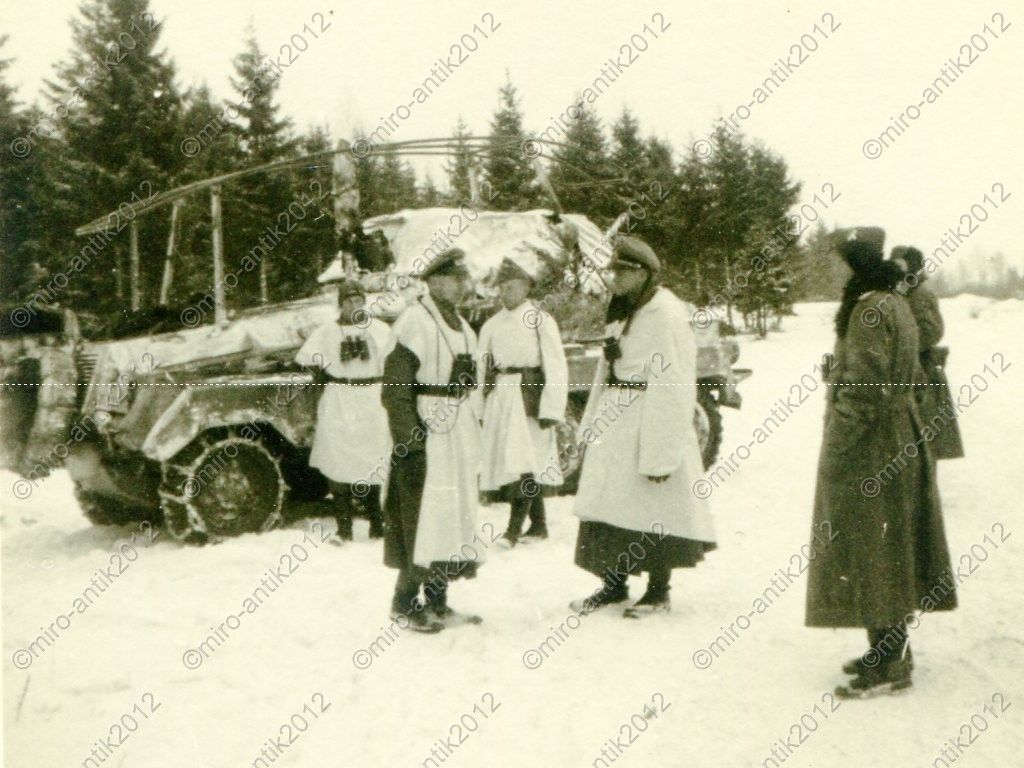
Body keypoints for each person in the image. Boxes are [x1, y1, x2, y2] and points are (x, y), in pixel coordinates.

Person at [806, 227, 957, 698]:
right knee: (889, 548)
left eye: (837, 260)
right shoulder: (892, 300)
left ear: (854, 262)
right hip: (897, 438)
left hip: (874, 447)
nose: (832, 269)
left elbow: (868, 392)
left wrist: (839, 446)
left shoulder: (870, 309)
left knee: (873, 548)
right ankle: (890, 650)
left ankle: (889, 661)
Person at [570, 235, 716, 619]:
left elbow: (675, 382)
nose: (613, 278)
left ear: (643, 273)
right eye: (612, 270)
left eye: (622, 271)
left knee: (654, 506)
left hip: (650, 418)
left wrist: (662, 452)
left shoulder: (665, 313)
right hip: (616, 418)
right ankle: (613, 584)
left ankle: (657, 590)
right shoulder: (624, 307)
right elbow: (609, 365)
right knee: (609, 503)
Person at [380, 248, 484, 632]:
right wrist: (410, 438)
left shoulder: (462, 326)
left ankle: (438, 602)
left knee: (449, 518)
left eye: (463, 279)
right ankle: (403, 602)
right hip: (425, 432)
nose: (462, 285)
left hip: (457, 434)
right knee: (419, 519)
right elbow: (395, 388)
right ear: (434, 281)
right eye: (455, 278)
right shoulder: (414, 323)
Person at [479, 254, 569, 547]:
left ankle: (513, 531)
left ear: (526, 288)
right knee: (517, 459)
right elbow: (482, 366)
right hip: (502, 396)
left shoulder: (540, 320)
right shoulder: (492, 325)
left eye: (513, 287)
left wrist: (552, 408)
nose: (507, 292)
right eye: (502, 287)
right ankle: (539, 524)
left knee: (527, 460)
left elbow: (556, 365)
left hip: (528, 394)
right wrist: (481, 405)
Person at [295, 280, 391, 541]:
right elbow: (306, 356)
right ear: (340, 305)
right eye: (349, 301)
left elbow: (393, 356)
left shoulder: (380, 329)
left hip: (371, 398)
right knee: (338, 461)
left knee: (374, 459)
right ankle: (344, 528)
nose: (355, 306)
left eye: (360, 301)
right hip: (340, 398)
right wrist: (327, 365)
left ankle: (377, 522)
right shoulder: (327, 331)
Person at [891, 245, 964, 461]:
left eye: (901, 264)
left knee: (924, 440)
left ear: (912, 267)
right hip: (907, 371)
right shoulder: (898, 293)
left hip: (922, 371)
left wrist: (902, 345)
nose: (896, 269)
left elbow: (932, 331)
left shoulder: (920, 294)